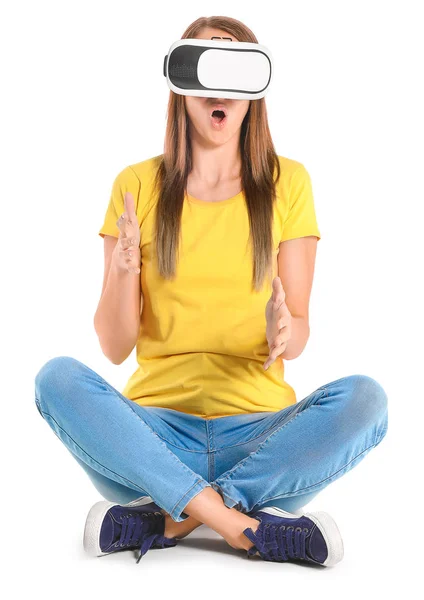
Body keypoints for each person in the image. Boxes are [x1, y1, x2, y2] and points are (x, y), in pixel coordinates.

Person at [34, 16, 388, 567]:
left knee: (366, 400)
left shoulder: (288, 182)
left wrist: (285, 330)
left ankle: (172, 518)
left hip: (261, 443)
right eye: (206, 69)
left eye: (235, 70)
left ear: (254, 92)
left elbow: (297, 337)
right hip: (154, 438)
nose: (220, 90)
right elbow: (113, 347)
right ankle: (246, 529)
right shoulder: (136, 186)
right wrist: (124, 270)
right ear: (182, 87)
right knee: (55, 378)